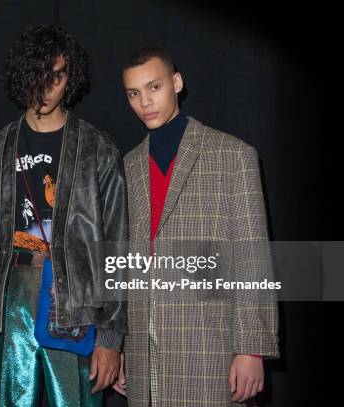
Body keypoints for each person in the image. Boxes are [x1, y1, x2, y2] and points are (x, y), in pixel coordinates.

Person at [0, 25, 128, 406]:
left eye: (57, 75)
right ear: (22, 75)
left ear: (70, 79)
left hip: (76, 305)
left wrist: (110, 337)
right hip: (7, 301)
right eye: (38, 74)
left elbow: (117, 249)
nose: (47, 86)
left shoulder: (98, 150)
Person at [117, 46, 279, 406]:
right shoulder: (126, 167)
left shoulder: (233, 155)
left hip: (211, 350)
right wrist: (123, 347)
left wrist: (252, 348)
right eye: (134, 93)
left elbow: (253, 257)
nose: (145, 101)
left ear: (176, 82)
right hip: (146, 358)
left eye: (154, 87)